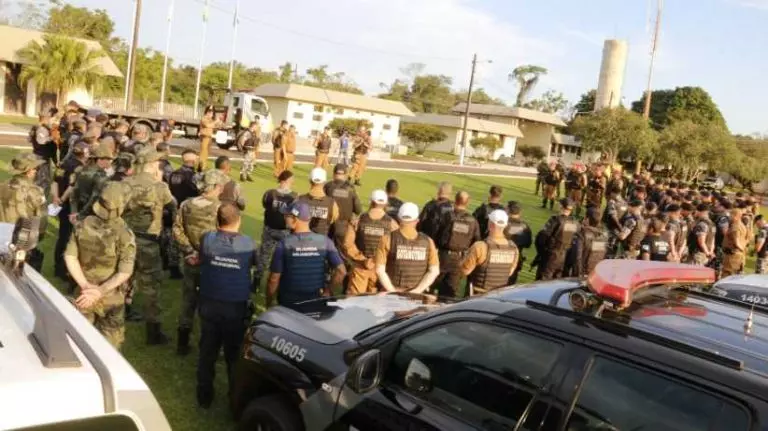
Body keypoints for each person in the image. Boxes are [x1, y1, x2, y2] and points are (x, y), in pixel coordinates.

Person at [195, 203, 258, 408]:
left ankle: (204, 397)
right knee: (233, 356)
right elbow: (253, 264)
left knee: (207, 352)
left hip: (210, 304)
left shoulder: (207, 239)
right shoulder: (248, 243)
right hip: (234, 308)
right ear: (239, 220)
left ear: (217, 220)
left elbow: (201, 258)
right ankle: (234, 399)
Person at [64, 183, 136, 350]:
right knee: (110, 348)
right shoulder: (125, 234)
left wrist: (85, 286)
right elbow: (124, 272)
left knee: (77, 342)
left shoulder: (82, 224)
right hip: (111, 296)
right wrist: (99, 291)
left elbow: (70, 256)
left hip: (83, 293)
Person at [122, 147, 177, 345]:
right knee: (151, 286)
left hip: (126, 238)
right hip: (148, 241)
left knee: (124, 276)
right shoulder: (159, 187)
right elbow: (173, 205)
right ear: (153, 165)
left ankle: (121, 312)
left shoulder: (125, 183)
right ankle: (153, 331)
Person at [173, 169, 229, 355]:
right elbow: (226, 238)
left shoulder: (186, 204)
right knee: (213, 304)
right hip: (213, 264)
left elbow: (177, 230)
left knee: (188, 301)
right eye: (221, 185)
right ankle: (210, 345)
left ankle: (182, 344)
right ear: (216, 186)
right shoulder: (222, 209)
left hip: (191, 261)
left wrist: (190, 252)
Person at [266, 201, 346, 309]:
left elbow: (274, 279)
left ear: (295, 219)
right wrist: (328, 291)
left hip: (288, 303)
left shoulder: (284, 244)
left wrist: (269, 303)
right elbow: (341, 271)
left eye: (287, 216)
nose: (284, 218)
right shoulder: (325, 241)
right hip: (315, 302)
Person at [342, 190, 399, 295]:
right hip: (381, 270)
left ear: (371, 202)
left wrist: (362, 259)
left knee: (354, 301)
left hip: (360, 268)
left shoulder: (358, 220)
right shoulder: (392, 224)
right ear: (386, 204)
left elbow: (347, 244)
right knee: (376, 301)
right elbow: (397, 247)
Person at [375, 202, 440, 293]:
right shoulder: (428, 241)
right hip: (417, 296)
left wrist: (392, 291)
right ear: (417, 220)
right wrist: (417, 290)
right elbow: (434, 271)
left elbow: (379, 270)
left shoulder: (387, 239)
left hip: (391, 294)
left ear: (398, 218)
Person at [0, 153, 47, 271]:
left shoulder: (4, 185)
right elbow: (41, 221)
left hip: (2, 233)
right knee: (19, 273)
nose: (36, 171)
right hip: (22, 239)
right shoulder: (35, 191)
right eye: (35, 168)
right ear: (30, 171)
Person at [52, 142, 89, 280]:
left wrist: (55, 198)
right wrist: (62, 198)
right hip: (70, 205)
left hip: (60, 204)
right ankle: (63, 269)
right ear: (84, 154)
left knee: (62, 235)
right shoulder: (79, 168)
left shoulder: (63, 164)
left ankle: (57, 267)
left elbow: (55, 181)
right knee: (68, 237)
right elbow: (72, 186)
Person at [460, 210, 519, 295]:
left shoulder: (480, 246)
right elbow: (510, 272)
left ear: (491, 225)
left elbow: (465, 271)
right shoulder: (513, 248)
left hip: (477, 296)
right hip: (498, 296)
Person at [434, 191, 481, 298]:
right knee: (451, 291)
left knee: (433, 288)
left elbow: (435, 234)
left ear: (455, 200)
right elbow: (477, 241)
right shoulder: (472, 221)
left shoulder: (446, 216)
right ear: (467, 202)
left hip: (443, 257)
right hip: (460, 259)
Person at [256, 171, 297, 287]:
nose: (293, 181)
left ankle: (256, 281)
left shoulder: (269, 193)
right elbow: (295, 213)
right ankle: (281, 283)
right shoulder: (294, 197)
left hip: (269, 229)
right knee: (286, 257)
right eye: (292, 179)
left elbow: (265, 205)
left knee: (264, 256)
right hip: (285, 231)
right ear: (286, 180)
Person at [168, 149, 201, 280]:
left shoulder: (173, 174)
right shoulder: (194, 176)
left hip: (175, 208)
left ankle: (173, 267)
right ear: (193, 161)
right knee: (189, 238)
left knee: (175, 236)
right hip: (189, 210)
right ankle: (190, 263)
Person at [536, 198, 578, 281]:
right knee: (556, 282)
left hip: (551, 255)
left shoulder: (555, 220)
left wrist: (543, 252)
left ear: (561, 206)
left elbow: (541, 238)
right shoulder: (575, 223)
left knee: (542, 281)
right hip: (564, 257)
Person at [69, 145, 114, 222]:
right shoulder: (101, 176)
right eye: (109, 159)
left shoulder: (80, 170)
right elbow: (94, 199)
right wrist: (80, 215)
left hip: (77, 210)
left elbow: (74, 192)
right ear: (100, 160)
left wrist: (74, 212)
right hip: (90, 215)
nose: (110, 162)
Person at [324, 164, 362, 245]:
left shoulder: (327, 186)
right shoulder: (351, 188)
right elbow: (358, 210)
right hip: (344, 227)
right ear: (345, 175)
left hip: (328, 226)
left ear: (333, 174)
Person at [299, 168, 339, 236]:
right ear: (324, 182)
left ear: (310, 180)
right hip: (322, 240)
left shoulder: (300, 199)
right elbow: (333, 219)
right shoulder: (332, 203)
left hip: (302, 239)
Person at [570, 206, 609, 277]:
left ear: (587, 219)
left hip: (582, 274)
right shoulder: (604, 236)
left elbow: (577, 258)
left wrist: (578, 276)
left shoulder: (582, 235)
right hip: (595, 274)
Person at [504, 201, 532, 285]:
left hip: (502, 256)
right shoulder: (525, 226)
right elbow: (528, 244)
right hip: (516, 259)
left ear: (508, 210)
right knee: (510, 285)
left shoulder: (503, 224)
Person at [29, 112, 57, 193]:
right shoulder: (41, 129)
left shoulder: (34, 127)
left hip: (37, 153)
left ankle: (36, 193)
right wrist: (52, 138)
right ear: (45, 119)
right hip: (41, 156)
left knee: (38, 177)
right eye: (49, 118)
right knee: (43, 178)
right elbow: (41, 141)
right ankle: (39, 195)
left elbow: (29, 139)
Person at [602, 189, 628, 259]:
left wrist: (619, 227)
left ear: (613, 193)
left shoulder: (612, 202)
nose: (610, 195)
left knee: (608, 247)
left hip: (611, 228)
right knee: (615, 247)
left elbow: (613, 216)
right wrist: (621, 228)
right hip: (619, 230)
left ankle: (607, 260)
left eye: (611, 194)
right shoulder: (625, 203)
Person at [721, 208, 747, 278]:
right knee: (735, 276)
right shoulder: (742, 225)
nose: (730, 217)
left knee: (727, 275)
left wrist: (740, 249)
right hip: (737, 254)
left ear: (736, 216)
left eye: (731, 215)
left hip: (732, 255)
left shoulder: (735, 227)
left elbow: (736, 242)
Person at [198, 106, 220, 172]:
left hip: (209, 137)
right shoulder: (204, 118)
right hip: (204, 137)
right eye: (210, 111)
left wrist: (218, 122)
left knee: (206, 153)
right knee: (203, 153)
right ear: (207, 112)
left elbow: (215, 127)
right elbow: (207, 125)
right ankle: (200, 167)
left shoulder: (211, 120)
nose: (211, 113)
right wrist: (215, 122)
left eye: (212, 112)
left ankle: (204, 166)